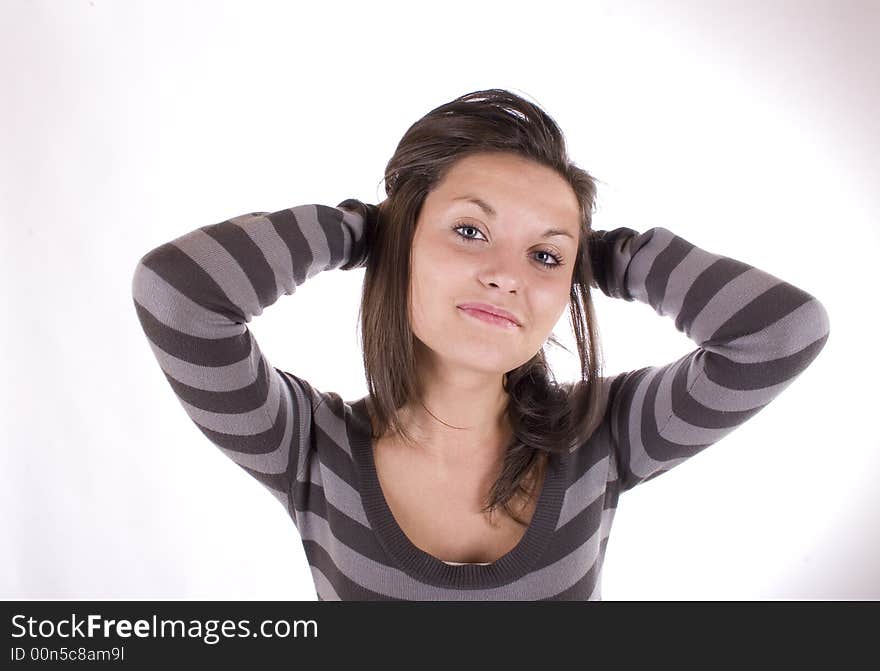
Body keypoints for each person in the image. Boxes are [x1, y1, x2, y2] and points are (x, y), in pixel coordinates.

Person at [131, 88, 831, 600]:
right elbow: (179, 294)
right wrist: (367, 230)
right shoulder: (309, 446)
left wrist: (605, 256)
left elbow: (780, 331)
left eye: (546, 258)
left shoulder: (604, 436)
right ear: (406, 240)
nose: (506, 277)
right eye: (470, 231)